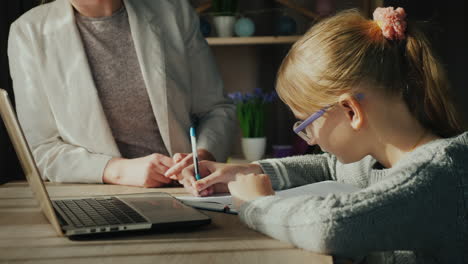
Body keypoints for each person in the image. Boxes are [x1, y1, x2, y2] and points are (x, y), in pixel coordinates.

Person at [166, 7, 468, 263]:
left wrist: (257, 205)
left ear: (350, 110)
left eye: (306, 124)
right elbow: (328, 167)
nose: (310, 139)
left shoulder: (440, 174)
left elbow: (330, 225)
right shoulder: (375, 161)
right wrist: (244, 170)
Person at [7, 0, 236, 187]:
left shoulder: (174, 13)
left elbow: (216, 110)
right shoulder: (28, 31)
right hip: (91, 195)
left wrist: (203, 157)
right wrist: (117, 170)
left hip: (187, 189)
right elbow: (40, 148)